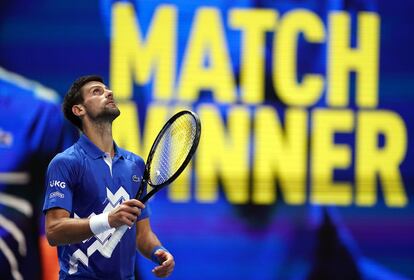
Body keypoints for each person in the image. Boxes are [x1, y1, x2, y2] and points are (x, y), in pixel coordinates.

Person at [42, 75, 175, 279]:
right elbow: (54, 231)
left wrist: (158, 252)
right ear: (79, 110)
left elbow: (142, 234)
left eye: (107, 89)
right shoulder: (65, 163)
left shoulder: (135, 165)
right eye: (97, 91)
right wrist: (108, 220)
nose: (109, 93)